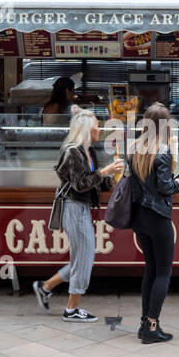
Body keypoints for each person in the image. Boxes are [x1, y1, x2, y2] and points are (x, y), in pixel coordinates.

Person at [32, 106, 123, 322]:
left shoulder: (87, 151)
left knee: (82, 257)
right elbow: (81, 184)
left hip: (81, 207)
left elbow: (94, 184)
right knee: (85, 257)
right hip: (72, 207)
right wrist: (105, 172)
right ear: (86, 128)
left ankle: (46, 287)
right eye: (96, 125)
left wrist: (113, 179)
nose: (99, 129)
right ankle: (71, 309)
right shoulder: (73, 152)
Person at [130, 103, 179, 343]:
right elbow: (165, 187)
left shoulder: (134, 148)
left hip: (139, 218)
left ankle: (144, 322)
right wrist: (178, 184)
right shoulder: (163, 150)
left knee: (150, 269)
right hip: (159, 217)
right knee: (163, 272)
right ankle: (152, 326)